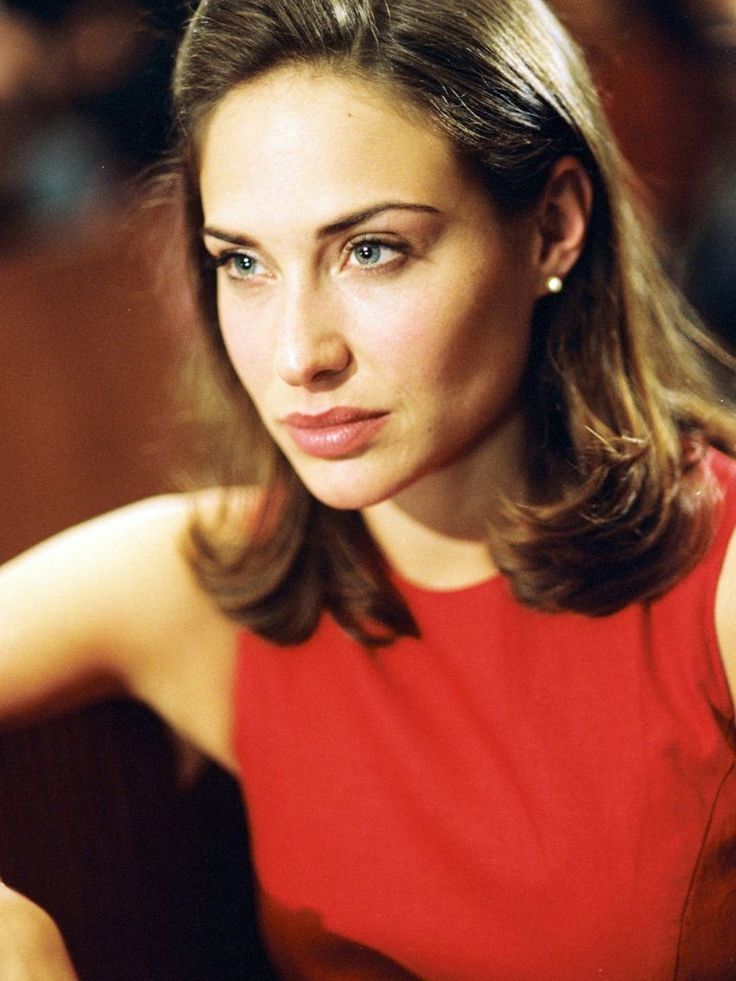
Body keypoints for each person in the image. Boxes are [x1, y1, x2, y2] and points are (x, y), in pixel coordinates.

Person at [2, 0, 736, 977]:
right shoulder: (207, 578)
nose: (300, 351)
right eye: (244, 263)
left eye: (371, 249)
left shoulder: (715, 579)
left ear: (553, 228)